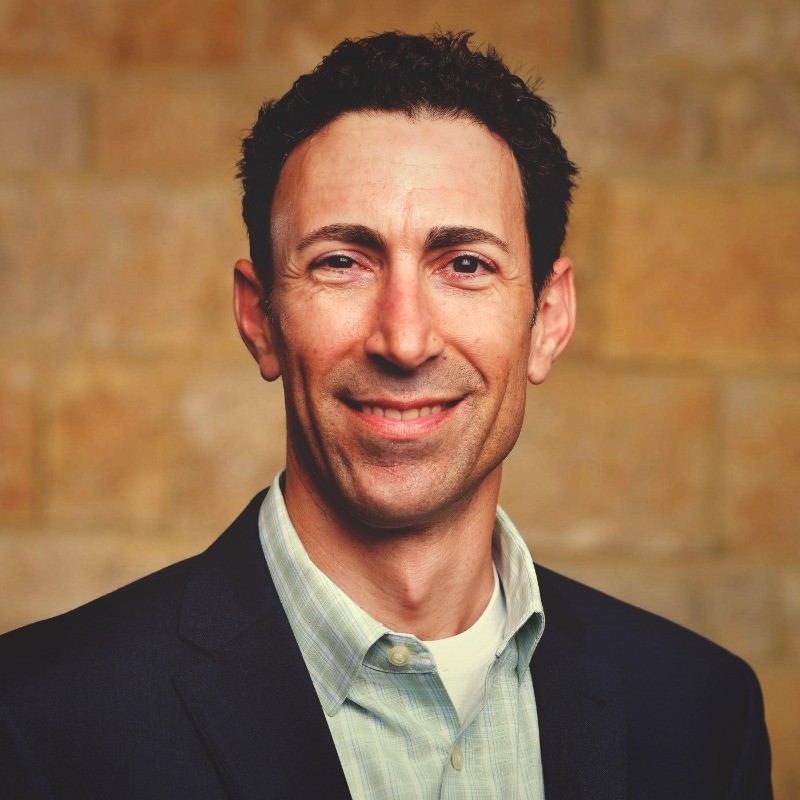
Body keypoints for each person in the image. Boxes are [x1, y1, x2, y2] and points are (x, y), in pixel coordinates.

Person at [0, 31, 771, 800]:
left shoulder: (703, 715)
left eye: (465, 264)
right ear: (259, 317)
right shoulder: (37, 718)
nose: (404, 340)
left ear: (548, 318)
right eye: (342, 261)